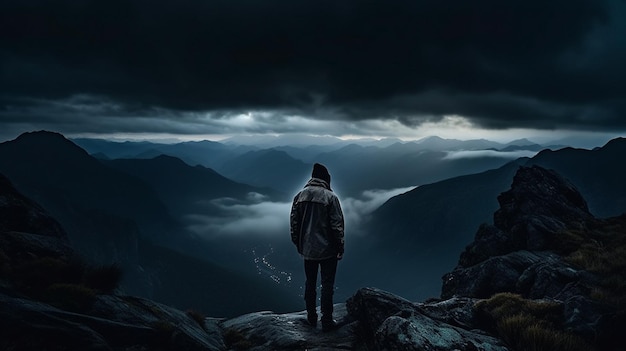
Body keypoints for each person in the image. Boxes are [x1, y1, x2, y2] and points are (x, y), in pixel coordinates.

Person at [290, 163, 345, 332]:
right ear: (325, 179)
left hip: (308, 250)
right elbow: (337, 226)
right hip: (328, 250)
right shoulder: (330, 197)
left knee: (310, 283)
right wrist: (340, 246)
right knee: (327, 284)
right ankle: (327, 320)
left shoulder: (299, 196)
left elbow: (294, 224)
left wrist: (299, 244)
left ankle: (311, 317)